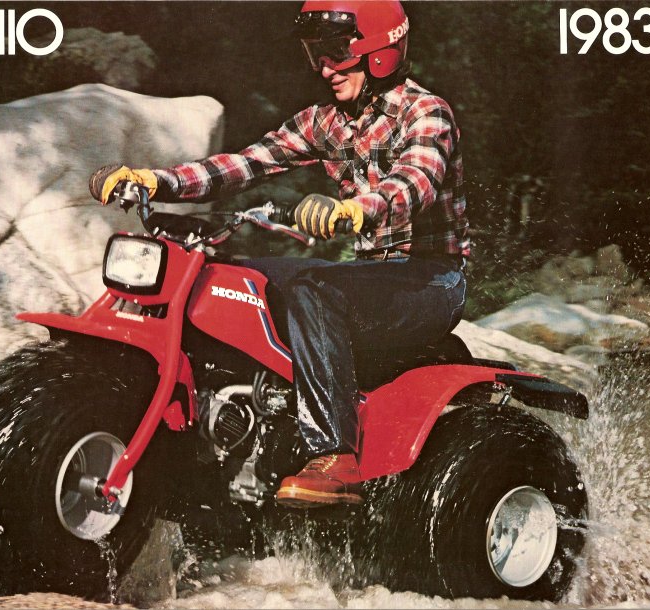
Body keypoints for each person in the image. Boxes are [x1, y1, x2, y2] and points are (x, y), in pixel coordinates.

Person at [89, 0, 469, 509]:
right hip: (368, 276)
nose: (325, 68)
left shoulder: (426, 112)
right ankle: (220, 432)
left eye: (337, 53)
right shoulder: (324, 121)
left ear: (379, 51)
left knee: (313, 290)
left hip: (431, 281)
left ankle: (336, 456)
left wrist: (354, 210)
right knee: (223, 281)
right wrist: (154, 180)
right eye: (317, 54)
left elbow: (414, 181)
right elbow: (244, 164)